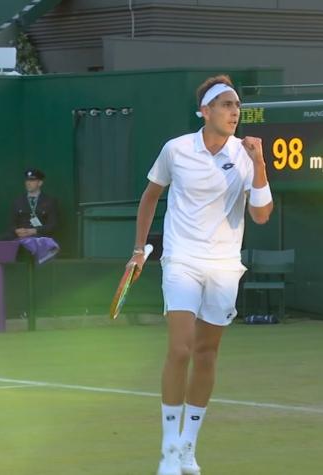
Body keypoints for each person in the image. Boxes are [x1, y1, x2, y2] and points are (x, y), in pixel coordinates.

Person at [128, 74, 273, 475]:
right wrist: (139, 250)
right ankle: (169, 449)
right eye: (226, 105)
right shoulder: (175, 150)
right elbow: (150, 196)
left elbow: (261, 214)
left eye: (237, 106)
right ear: (205, 111)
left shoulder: (246, 156)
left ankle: (189, 447)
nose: (234, 112)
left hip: (225, 267)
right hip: (181, 261)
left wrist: (259, 161)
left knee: (207, 354)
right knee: (180, 350)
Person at [9, 168, 60, 264]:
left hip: (41, 237)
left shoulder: (50, 201)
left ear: (40, 183)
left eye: (32, 180)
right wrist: (16, 230)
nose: (28, 183)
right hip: (21, 238)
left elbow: (53, 225)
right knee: (2, 240)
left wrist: (33, 231)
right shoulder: (18, 201)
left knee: (40, 244)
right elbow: (12, 224)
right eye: (27, 180)